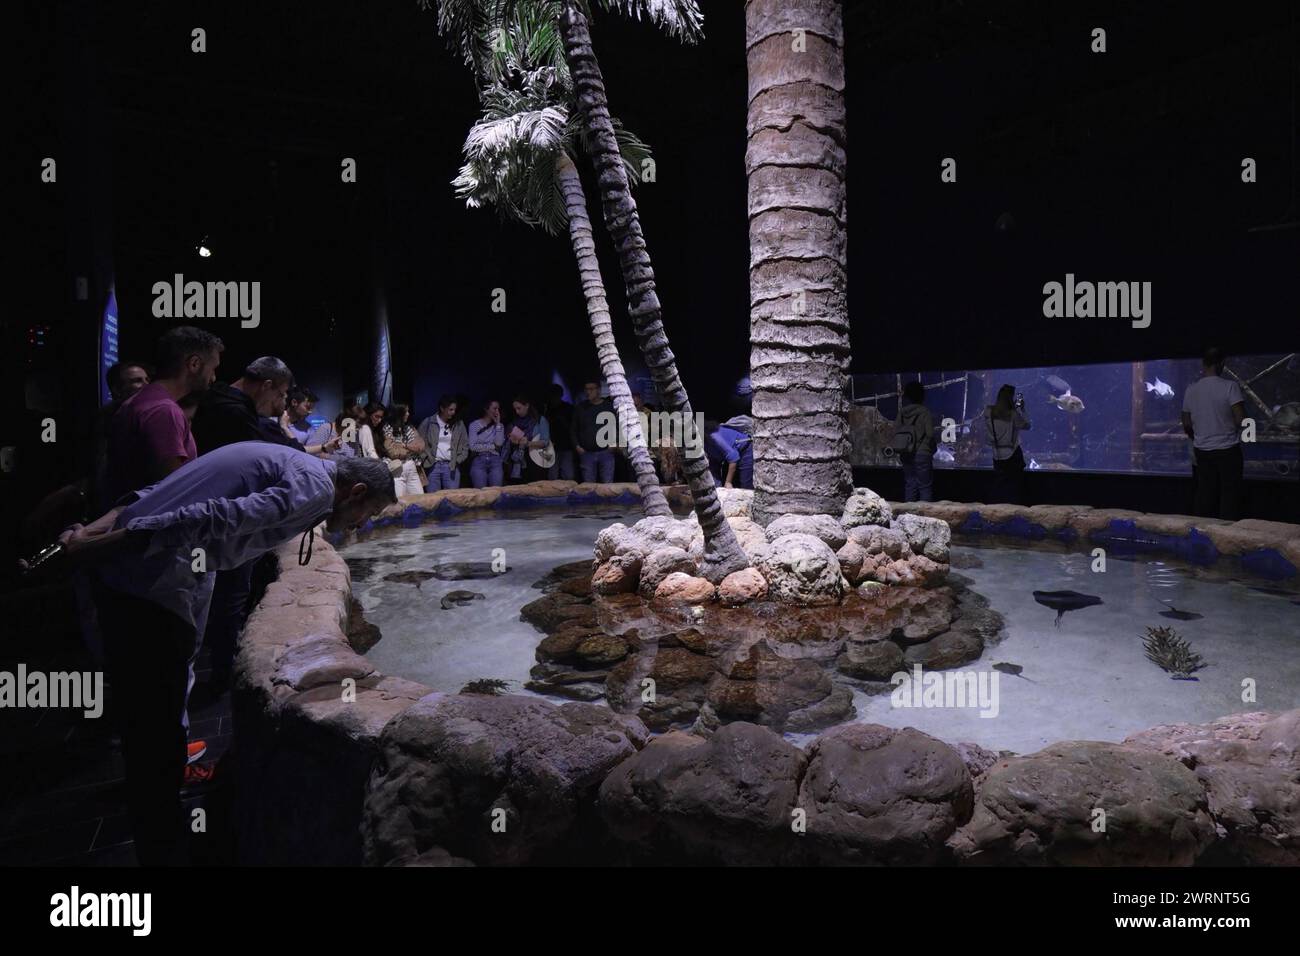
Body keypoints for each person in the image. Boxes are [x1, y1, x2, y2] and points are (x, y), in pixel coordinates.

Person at [38, 445, 395, 865]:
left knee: (147, 715)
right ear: (354, 491)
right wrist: (91, 549)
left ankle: (158, 816)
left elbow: (159, 493)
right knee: (156, 717)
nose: (363, 523)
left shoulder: (292, 463)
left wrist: (92, 533)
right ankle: (163, 844)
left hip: (136, 576)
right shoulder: (315, 488)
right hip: (150, 582)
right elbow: (208, 518)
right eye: (368, 512)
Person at [104, 326, 223, 506]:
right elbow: (172, 492)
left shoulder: (140, 402)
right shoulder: (163, 411)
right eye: (213, 368)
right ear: (194, 364)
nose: (213, 377)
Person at [1182, 347, 1246, 520]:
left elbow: (1186, 423)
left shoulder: (1191, 390)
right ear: (1222, 364)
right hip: (1228, 449)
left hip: (1202, 451)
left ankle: (1200, 533)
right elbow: (1241, 419)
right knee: (1230, 495)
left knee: (1204, 493)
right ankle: (1228, 536)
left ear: (1203, 364)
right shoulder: (1230, 386)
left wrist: (1199, 436)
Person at [192, 356, 296, 455]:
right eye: (280, 394)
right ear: (266, 385)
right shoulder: (240, 416)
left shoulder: (213, 394)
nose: (278, 399)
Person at [985, 384, 1031, 503]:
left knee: (999, 484)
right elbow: (1027, 425)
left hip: (997, 455)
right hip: (1013, 454)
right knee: (1015, 486)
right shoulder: (1013, 414)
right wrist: (1022, 409)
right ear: (1011, 398)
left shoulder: (988, 411)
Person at [895, 381, 936, 502]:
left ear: (907, 396)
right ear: (922, 395)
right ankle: (925, 518)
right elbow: (930, 434)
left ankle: (908, 516)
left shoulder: (902, 413)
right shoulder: (925, 412)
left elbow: (896, 431)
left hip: (906, 453)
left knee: (910, 485)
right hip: (922, 453)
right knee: (924, 487)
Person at [417, 396, 469, 491]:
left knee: (452, 499)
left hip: (451, 466)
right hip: (433, 466)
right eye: (450, 409)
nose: (453, 412)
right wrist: (425, 458)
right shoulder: (429, 422)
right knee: (433, 500)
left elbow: (465, 445)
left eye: (454, 410)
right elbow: (418, 442)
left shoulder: (458, 424)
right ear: (442, 408)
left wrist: (457, 460)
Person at [572, 380, 615, 483]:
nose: (588, 392)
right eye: (586, 389)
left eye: (591, 389)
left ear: (599, 390)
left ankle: (607, 500)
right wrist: (577, 446)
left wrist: (614, 443)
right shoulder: (580, 408)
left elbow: (616, 426)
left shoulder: (608, 407)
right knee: (588, 487)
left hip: (606, 452)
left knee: (608, 485)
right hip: (587, 453)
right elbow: (573, 429)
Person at [382, 403, 426, 497]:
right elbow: (393, 453)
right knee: (400, 501)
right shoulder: (387, 428)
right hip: (397, 469)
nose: (408, 414)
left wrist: (404, 445)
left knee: (419, 499)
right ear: (398, 413)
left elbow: (421, 446)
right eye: (406, 411)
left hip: (411, 466)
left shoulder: (409, 427)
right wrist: (411, 449)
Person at [505, 394, 551, 483]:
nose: (517, 412)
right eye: (515, 409)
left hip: (537, 459)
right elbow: (511, 441)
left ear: (527, 406)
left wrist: (528, 443)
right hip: (520, 460)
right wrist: (514, 442)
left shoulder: (540, 420)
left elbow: (545, 442)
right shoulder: (515, 421)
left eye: (519, 408)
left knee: (537, 485)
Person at [282, 387, 338, 457]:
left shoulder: (308, 428)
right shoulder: (273, 420)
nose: (310, 411)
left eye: (312, 408)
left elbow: (308, 454)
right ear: (294, 402)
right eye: (307, 407)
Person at [467, 398, 506, 488]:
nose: (497, 412)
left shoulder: (500, 426)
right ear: (486, 409)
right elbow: (472, 447)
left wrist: (498, 424)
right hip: (479, 459)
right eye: (494, 408)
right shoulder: (474, 425)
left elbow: (499, 443)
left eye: (498, 409)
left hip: (495, 460)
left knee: (496, 492)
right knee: (480, 492)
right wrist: (492, 446)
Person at [709, 414, 754, 489]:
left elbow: (734, 458)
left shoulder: (714, 437)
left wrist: (728, 482)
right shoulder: (697, 446)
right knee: (718, 485)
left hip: (745, 448)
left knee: (745, 486)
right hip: (723, 455)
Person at [546, 383, 576, 480]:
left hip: (566, 445)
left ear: (561, 395)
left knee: (568, 475)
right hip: (551, 446)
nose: (554, 398)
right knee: (552, 475)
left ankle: (568, 494)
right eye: (552, 395)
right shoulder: (547, 410)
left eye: (556, 395)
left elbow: (573, 428)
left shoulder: (569, 409)